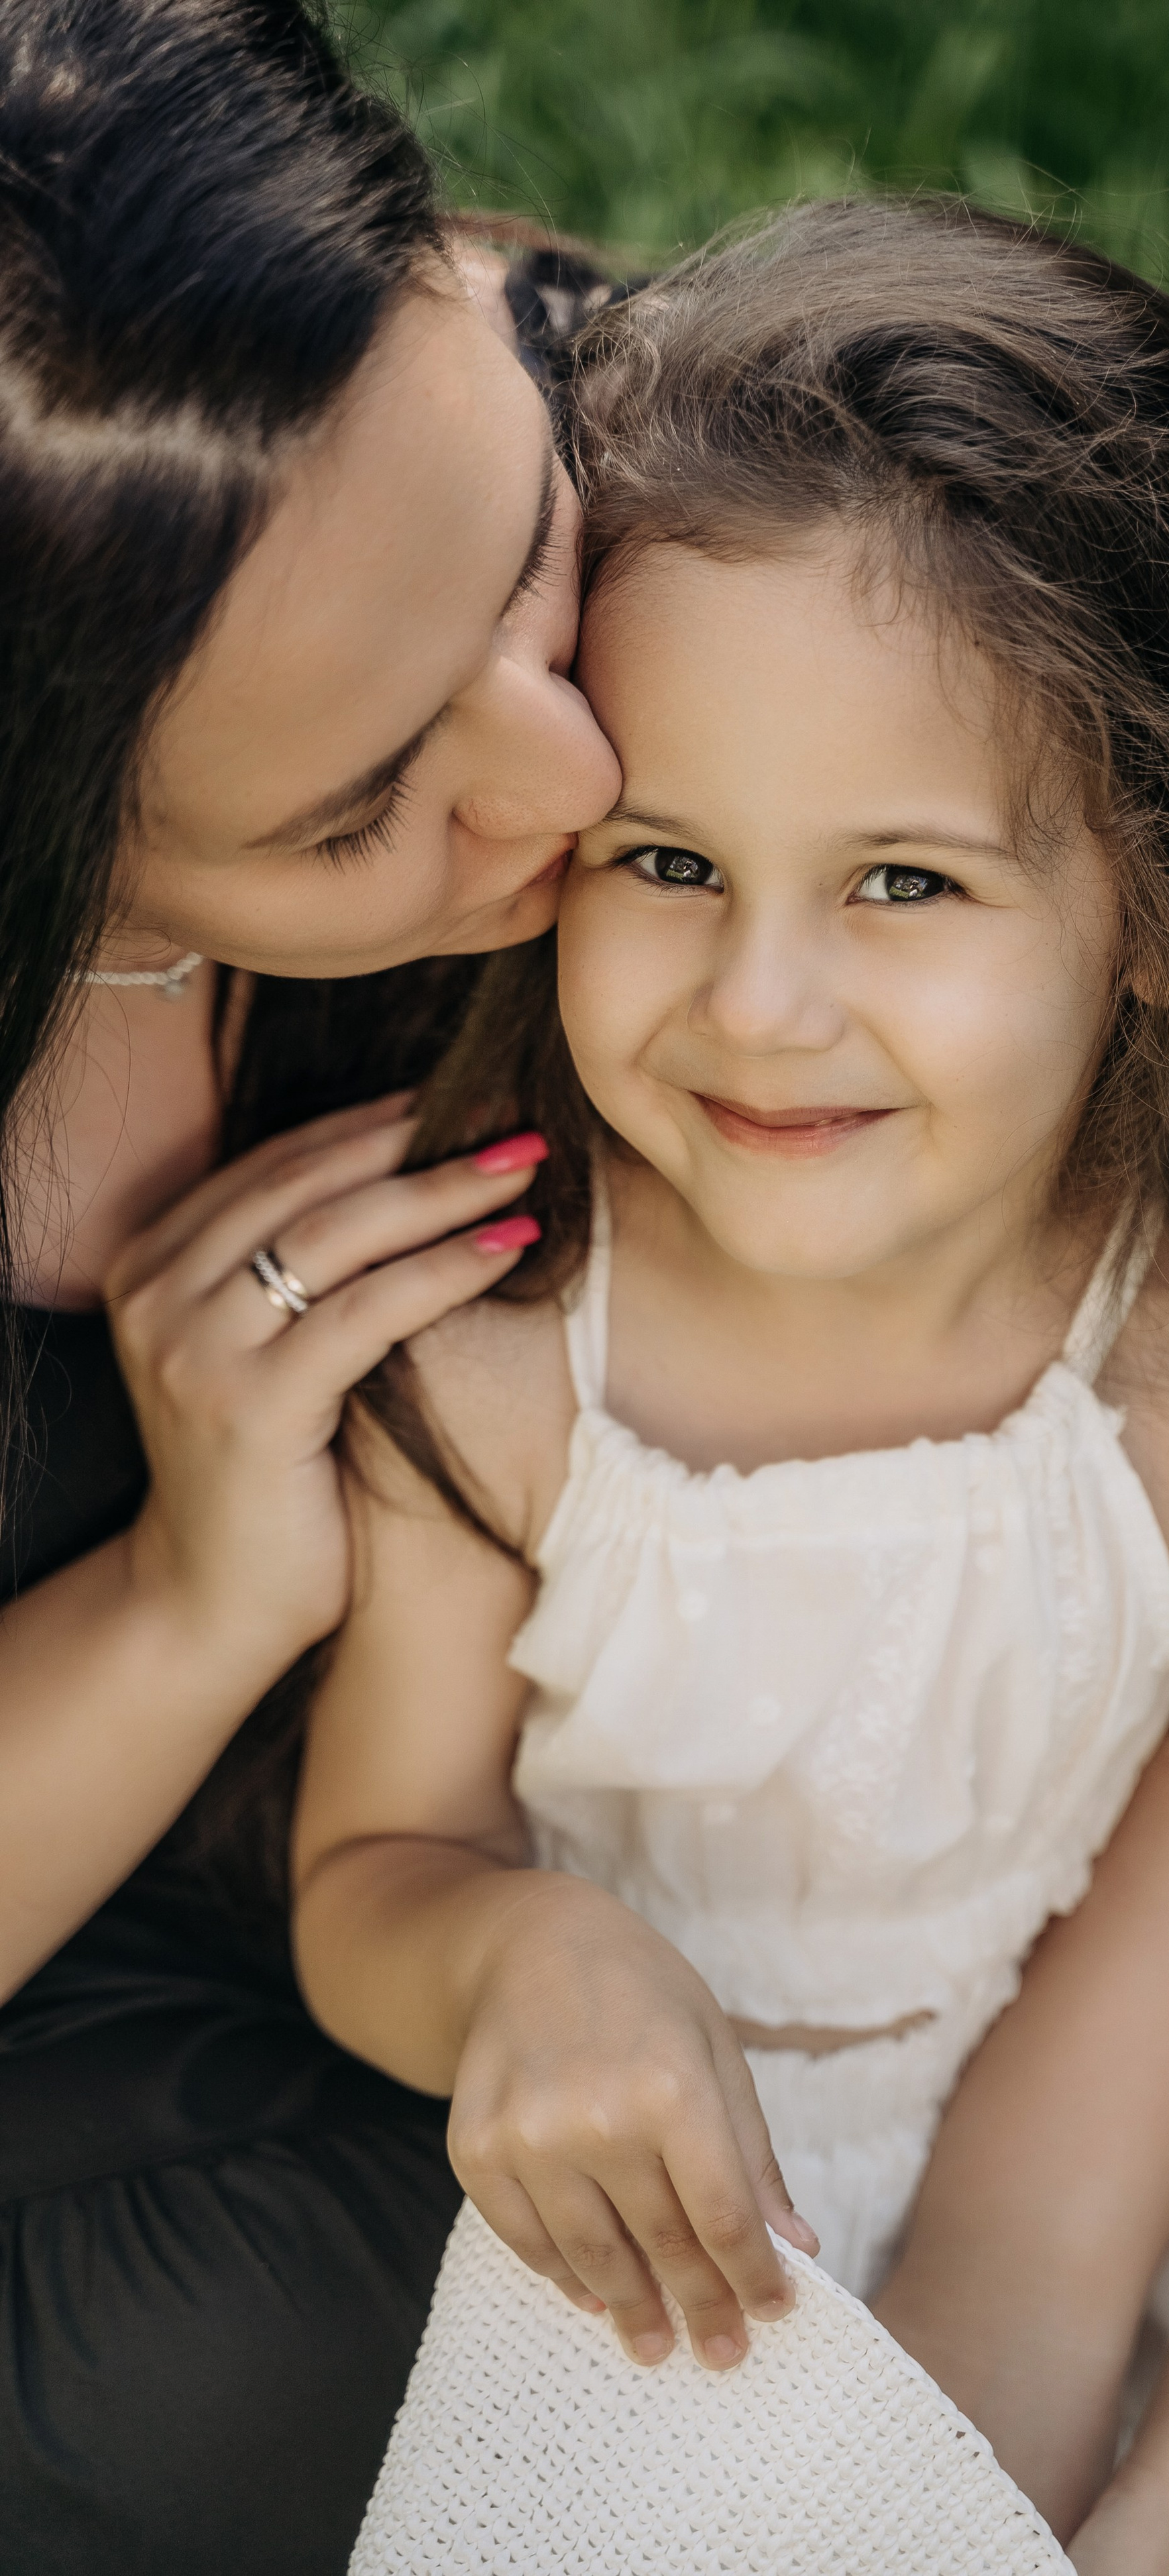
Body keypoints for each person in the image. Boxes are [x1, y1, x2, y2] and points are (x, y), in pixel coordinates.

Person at [292, 199, 1169, 2569]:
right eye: (667, 859)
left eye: (903, 883)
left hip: (1096, 2190)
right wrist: (524, 1952)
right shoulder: (501, 1362)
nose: (761, 1004)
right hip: (611, 2221)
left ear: (1162, 907)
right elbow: (370, 1871)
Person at [0, 6, 624, 2568]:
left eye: (526, 555)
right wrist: (193, 1595)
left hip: (528, 1810)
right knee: (252, 2383)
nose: (575, 779)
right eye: (364, 811)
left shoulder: (612, 416)